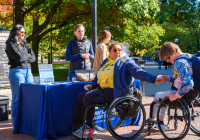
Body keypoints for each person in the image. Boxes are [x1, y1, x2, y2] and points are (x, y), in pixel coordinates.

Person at [72, 42, 162, 138]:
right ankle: (79, 126)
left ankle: (89, 128)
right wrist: (92, 84)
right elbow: (98, 76)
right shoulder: (106, 61)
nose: (118, 52)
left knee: (89, 97)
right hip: (103, 90)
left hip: (116, 92)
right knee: (81, 95)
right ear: (109, 51)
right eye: (115, 50)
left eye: (119, 50)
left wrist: (153, 79)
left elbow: (138, 72)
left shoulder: (125, 61)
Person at [148, 42, 199, 129]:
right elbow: (180, 78)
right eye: (166, 60)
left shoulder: (178, 62)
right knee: (164, 97)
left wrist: (176, 95)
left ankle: (152, 121)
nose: (168, 61)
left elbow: (188, 83)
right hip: (192, 93)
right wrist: (166, 78)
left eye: (168, 58)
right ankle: (160, 121)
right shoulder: (187, 57)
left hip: (181, 93)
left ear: (174, 51)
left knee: (157, 97)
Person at [5, 24, 35, 129]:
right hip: (17, 72)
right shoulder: (10, 43)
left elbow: (34, 57)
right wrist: (27, 56)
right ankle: (15, 124)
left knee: (28, 98)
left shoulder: (24, 43)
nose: (23, 34)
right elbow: (18, 59)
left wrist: (25, 56)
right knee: (17, 99)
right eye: (21, 32)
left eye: (24, 32)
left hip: (28, 72)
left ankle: (25, 122)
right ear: (15, 32)